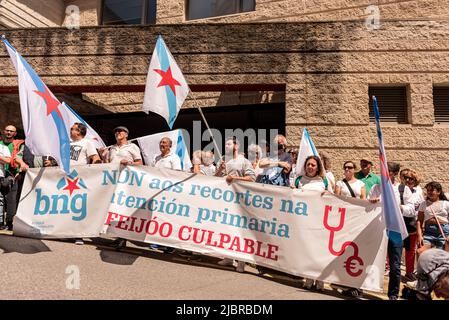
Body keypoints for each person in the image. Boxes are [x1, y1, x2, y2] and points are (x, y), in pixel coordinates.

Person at [369, 162, 415, 300]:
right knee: (370, 260)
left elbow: (411, 209)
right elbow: (366, 207)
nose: (383, 173)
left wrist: (399, 207)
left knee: (395, 265)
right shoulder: (376, 188)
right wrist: (372, 202)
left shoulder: (402, 189)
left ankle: (393, 294)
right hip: (378, 229)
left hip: (395, 231)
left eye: (387, 171)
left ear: (394, 173)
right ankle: (364, 287)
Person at [215, 136, 256, 273]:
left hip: (239, 201)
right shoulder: (223, 160)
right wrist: (220, 170)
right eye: (225, 144)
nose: (226, 146)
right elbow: (215, 179)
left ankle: (241, 261)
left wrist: (234, 178)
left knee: (239, 231)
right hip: (224, 200)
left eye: (228, 144)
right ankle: (228, 257)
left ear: (236, 146)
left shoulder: (244, 161)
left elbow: (252, 178)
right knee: (226, 229)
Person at [101, 126, 143, 251]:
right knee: (111, 207)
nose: (117, 133)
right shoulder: (112, 148)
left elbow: (140, 163)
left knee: (123, 209)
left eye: (120, 131)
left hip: (126, 182)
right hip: (113, 181)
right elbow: (108, 164)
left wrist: (129, 163)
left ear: (126, 134)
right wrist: (103, 156)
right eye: (116, 132)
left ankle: (122, 238)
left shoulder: (132, 147)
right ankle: (116, 235)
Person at [294, 155, 329, 291]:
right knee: (307, 251)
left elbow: (332, 199)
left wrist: (327, 194)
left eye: (313, 165)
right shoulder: (299, 180)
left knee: (319, 252)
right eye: (308, 164)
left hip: (319, 221)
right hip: (304, 222)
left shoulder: (323, 181)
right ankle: (308, 279)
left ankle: (320, 280)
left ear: (318, 167)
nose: (310, 167)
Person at [69, 123, 101, 245]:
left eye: (72, 129)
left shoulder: (87, 143)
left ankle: (79, 235)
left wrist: (92, 171)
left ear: (79, 132)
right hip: (65, 178)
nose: (70, 130)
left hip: (79, 179)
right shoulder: (67, 143)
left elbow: (95, 157)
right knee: (65, 204)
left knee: (78, 206)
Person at [0, 125, 29, 231]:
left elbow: (21, 157)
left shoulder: (18, 144)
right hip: (1, 173)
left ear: (15, 133)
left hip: (12, 174)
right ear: (4, 131)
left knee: (11, 199)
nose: (8, 132)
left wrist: (18, 171)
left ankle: (9, 222)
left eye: (11, 131)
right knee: (1, 199)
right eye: (7, 130)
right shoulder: (0, 144)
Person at [399, 168, 424, 281]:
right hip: (399, 222)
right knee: (395, 248)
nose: (408, 180)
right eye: (406, 178)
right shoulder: (398, 189)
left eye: (411, 179)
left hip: (412, 224)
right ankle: (392, 269)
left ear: (415, 180)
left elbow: (421, 208)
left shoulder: (418, 191)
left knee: (410, 250)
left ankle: (409, 271)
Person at [417, 182, 449, 254]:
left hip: (444, 232)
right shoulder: (423, 204)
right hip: (429, 233)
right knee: (420, 252)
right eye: (428, 190)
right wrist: (419, 235)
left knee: (443, 256)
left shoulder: (446, 204)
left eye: (432, 190)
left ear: (439, 192)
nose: (429, 192)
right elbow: (419, 220)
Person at [0, 140, 11, 230]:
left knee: (0, 200)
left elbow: (8, 160)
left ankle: (0, 222)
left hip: (0, 175)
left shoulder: (4, 148)